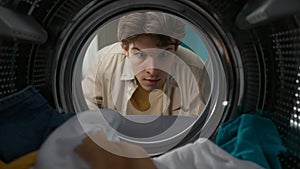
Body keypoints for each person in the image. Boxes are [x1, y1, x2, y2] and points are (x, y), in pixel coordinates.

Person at [82, 11, 210, 117]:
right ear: (125, 49)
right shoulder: (103, 63)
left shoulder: (195, 70)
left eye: (164, 55)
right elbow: (84, 115)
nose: (152, 69)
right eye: (141, 55)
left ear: (176, 49)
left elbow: (202, 129)